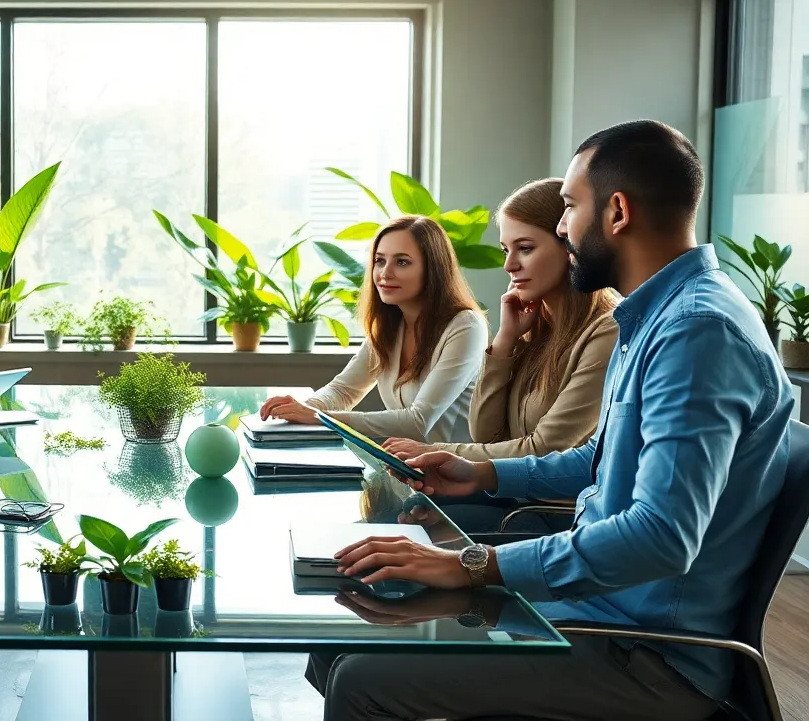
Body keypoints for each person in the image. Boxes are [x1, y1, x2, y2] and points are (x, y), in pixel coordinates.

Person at [310, 120, 791, 720]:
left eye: (568, 207)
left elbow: (662, 536)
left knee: (363, 678)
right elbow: (602, 460)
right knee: (346, 632)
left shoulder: (696, 331)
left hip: (640, 653)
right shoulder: (659, 318)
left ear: (616, 212)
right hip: (595, 607)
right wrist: (483, 476)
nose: (562, 227)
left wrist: (477, 563)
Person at [383, 180, 621, 533]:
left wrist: (434, 451)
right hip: (512, 499)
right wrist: (505, 342)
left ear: (569, 246)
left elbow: (543, 449)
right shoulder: (535, 328)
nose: (509, 265)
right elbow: (486, 434)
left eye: (524, 248)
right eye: (506, 249)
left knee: (410, 531)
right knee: (398, 509)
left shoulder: (606, 331)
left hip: (556, 516)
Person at [259, 215, 488, 443]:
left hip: (459, 473)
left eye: (402, 262)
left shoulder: (465, 326)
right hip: (409, 468)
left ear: (433, 269)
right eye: (380, 261)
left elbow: (418, 422)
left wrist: (321, 418)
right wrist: (299, 410)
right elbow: (343, 390)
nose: (385, 273)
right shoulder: (389, 326)